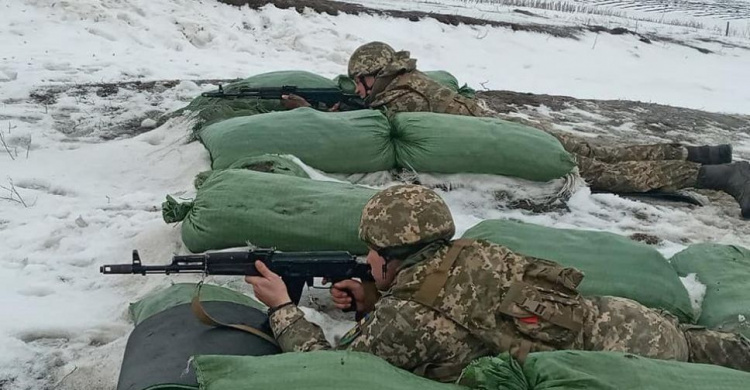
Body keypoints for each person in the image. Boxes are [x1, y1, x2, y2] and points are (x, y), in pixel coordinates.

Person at [246, 184, 750, 382]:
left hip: (628, 363)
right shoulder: (473, 251)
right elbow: (458, 306)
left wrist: (282, 308)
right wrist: (373, 295)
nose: (367, 257)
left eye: (374, 250)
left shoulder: (405, 321)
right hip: (631, 321)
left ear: (392, 256)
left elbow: (338, 370)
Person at [283, 41, 750, 218]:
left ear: (377, 74)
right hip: (510, 128)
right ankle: (701, 152)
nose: (361, 90)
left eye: (363, 82)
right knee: (603, 150)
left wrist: (314, 114)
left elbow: (377, 133)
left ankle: (721, 177)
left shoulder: (405, 97)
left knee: (604, 171)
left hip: (510, 144)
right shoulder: (409, 81)